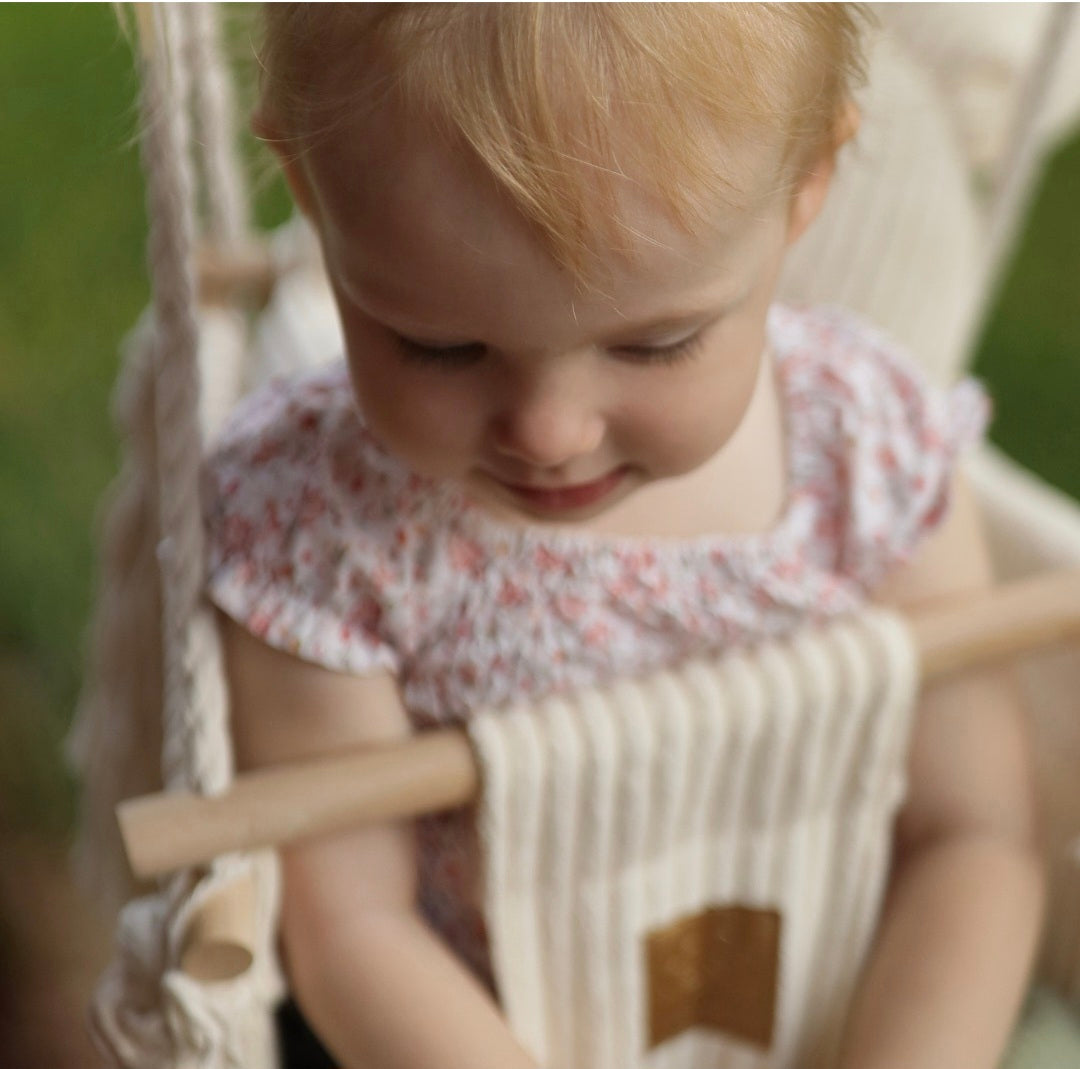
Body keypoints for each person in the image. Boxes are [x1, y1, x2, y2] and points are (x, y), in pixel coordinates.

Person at [204, 5, 1045, 1067]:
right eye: (440, 346)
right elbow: (351, 930)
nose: (549, 433)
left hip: (825, 1002)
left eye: (658, 344)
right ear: (309, 190)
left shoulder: (865, 451)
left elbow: (973, 836)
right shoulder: (322, 523)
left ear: (806, 188)